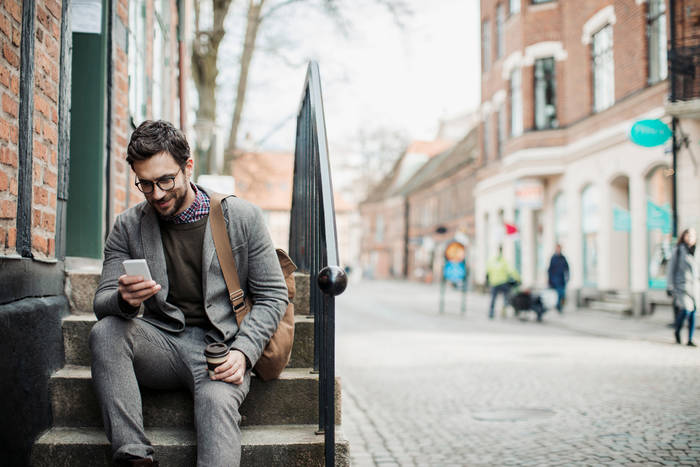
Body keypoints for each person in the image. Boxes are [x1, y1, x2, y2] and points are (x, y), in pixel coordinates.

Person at [90, 120, 289, 466]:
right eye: (146, 184)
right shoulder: (128, 226)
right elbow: (102, 302)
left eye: (166, 180)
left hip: (221, 348)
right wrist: (123, 299)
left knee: (215, 403)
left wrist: (243, 352)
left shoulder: (242, 217)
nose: (157, 194)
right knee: (105, 332)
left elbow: (273, 296)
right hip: (162, 344)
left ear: (188, 167)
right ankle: (134, 457)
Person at [666, 228, 698, 347]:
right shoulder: (678, 250)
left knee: (693, 311)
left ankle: (690, 338)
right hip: (681, 285)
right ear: (684, 237)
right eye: (688, 236)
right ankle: (677, 329)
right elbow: (671, 269)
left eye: (692, 236)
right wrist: (670, 286)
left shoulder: (698, 251)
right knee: (686, 309)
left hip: (695, 287)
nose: (690, 238)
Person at [486, 246, 519, 319]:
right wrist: (518, 279)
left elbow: (487, 272)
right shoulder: (504, 261)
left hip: (494, 282)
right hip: (503, 282)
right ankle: (504, 308)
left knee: (493, 298)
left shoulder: (491, 261)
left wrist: (487, 281)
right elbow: (511, 271)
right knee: (506, 296)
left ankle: (491, 312)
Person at [547, 244, 570, 313]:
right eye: (557, 248)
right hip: (555, 280)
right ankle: (558, 307)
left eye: (559, 248)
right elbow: (550, 270)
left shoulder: (563, 258)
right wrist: (550, 280)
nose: (559, 250)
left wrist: (568, 277)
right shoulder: (553, 258)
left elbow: (567, 268)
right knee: (558, 294)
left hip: (562, 280)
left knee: (562, 294)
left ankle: (559, 306)